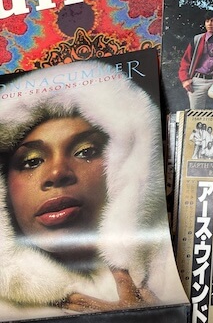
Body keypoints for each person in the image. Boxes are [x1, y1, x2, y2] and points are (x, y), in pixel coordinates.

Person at [0, 61, 183, 314]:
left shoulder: (178, 258)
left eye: (86, 152)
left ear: (127, 165)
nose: (56, 174)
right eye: (31, 161)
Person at [178, 10, 213, 109]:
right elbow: (185, 61)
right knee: (196, 113)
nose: (209, 24)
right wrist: (185, 79)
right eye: (207, 21)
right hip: (197, 80)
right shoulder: (197, 39)